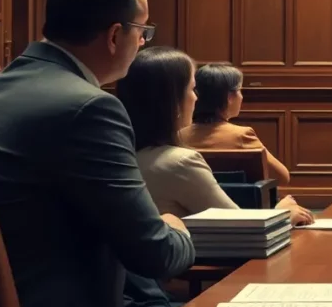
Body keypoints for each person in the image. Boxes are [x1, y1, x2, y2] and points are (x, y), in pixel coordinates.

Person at [0, 0, 195, 307]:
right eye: (143, 31)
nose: (143, 43)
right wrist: (177, 228)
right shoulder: (90, 107)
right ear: (116, 35)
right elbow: (153, 253)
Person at [118, 47, 313, 226]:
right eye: (191, 89)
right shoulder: (180, 162)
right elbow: (241, 229)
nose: (196, 98)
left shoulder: (119, 156)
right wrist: (283, 213)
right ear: (171, 102)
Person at [180, 62, 290, 184]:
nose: (242, 97)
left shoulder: (179, 135)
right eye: (240, 90)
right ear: (229, 97)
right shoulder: (242, 135)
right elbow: (282, 177)